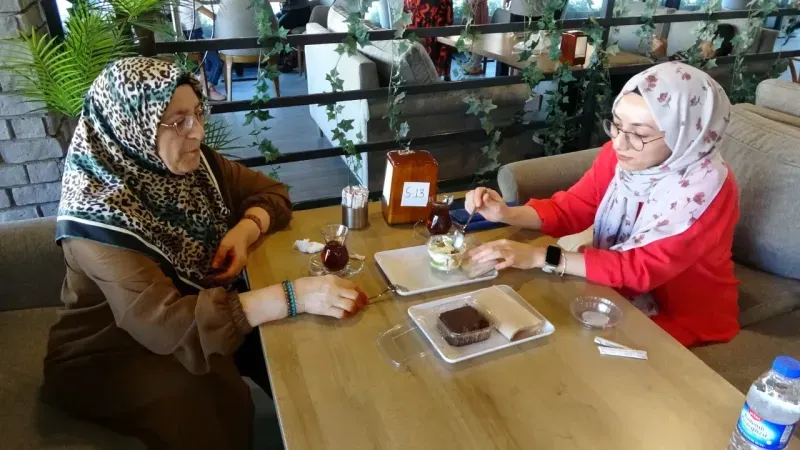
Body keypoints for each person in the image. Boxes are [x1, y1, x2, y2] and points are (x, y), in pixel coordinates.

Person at [42, 57, 368, 449]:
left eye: (197, 113)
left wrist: (245, 231)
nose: (196, 132)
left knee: (299, 346)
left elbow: (272, 193)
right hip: (109, 352)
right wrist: (292, 295)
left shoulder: (195, 167)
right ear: (131, 127)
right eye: (178, 121)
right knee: (209, 396)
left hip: (199, 310)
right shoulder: (98, 220)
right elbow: (167, 326)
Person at [465, 62, 740, 347]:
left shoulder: (706, 189)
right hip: (613, 290)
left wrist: (540, 257)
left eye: (639, 134)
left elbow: (640, 269)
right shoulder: (620, 157)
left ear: (687, 135)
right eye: (617, 125)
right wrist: (506, 213)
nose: (619, 143)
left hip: (681, 314)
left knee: (559, 346)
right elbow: (573, 207)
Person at [179, 0, 226, 101]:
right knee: (217, 61)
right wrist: (227, 20)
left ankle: (204, 82)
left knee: (208, 60)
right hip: (193, 35)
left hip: (191, 35)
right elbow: (211, 15)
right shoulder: (189, 0)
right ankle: (209, 88)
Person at [405, 0, 454, 80]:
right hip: (435, 32)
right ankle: (444, 75)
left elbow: (406, 15)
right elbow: (449, 20)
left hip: (418, 32)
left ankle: (437, 77)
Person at [652, 23, 738, 60]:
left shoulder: (700, 66)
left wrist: (661, 55)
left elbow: (669, 75)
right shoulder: (691, 52)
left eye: (708, 38)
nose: (702, 39)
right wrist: (663, 49)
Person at [465, 0, 489, 75]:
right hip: (473, 7)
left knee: (479, 36)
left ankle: (476, 64)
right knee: (473, 37)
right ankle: (473, 60)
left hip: (480, 8)